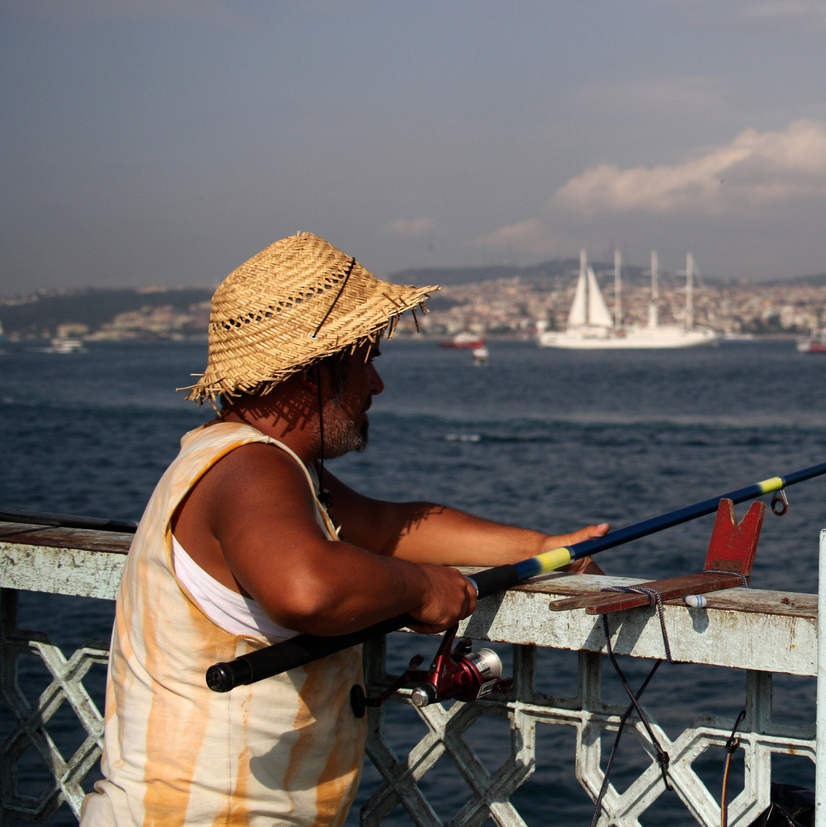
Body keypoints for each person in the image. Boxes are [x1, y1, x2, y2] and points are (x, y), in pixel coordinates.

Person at [82, 233, 607, 826]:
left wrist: (546, 548)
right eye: (367, 361)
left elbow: (385, 527)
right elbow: (307, 587)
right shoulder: (250, 468)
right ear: (314, 373)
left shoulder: (263, 465)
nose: (376, 386)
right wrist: (419, 589)